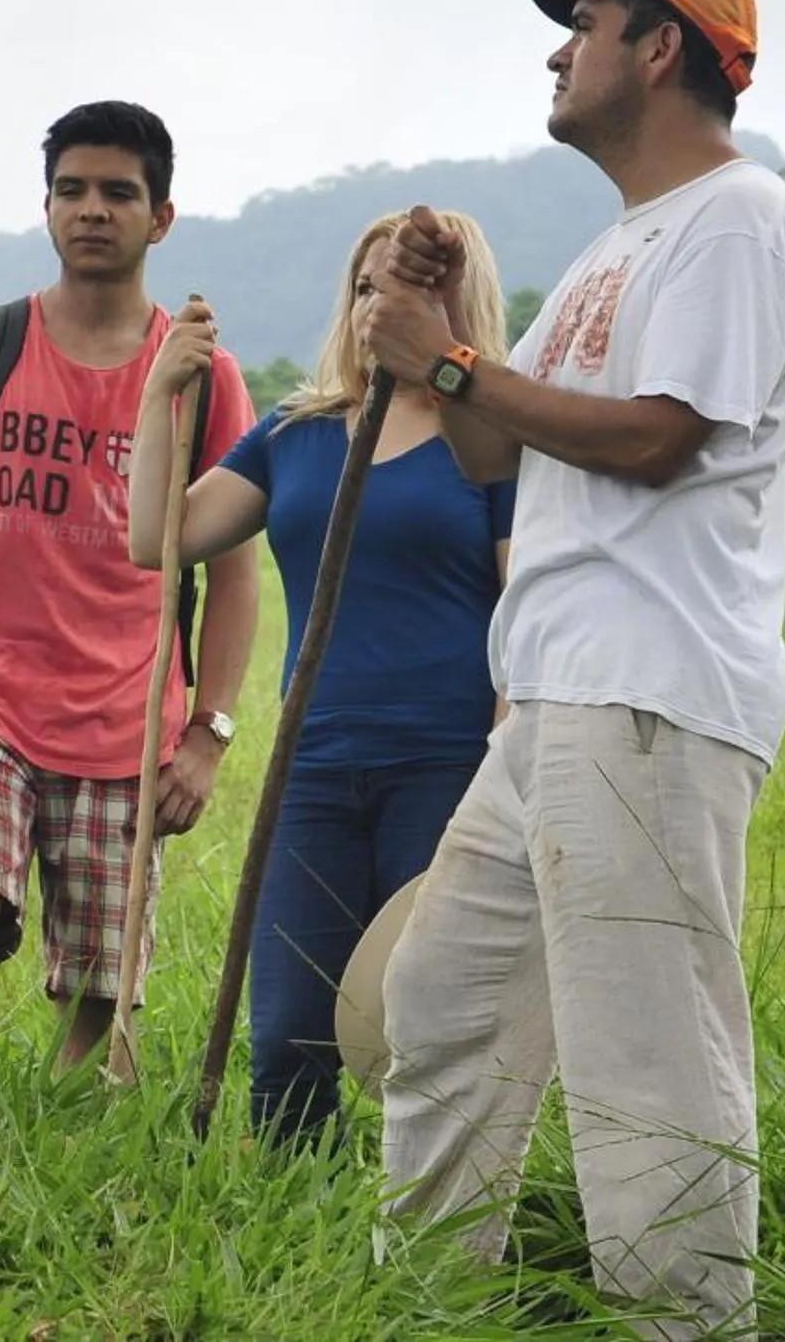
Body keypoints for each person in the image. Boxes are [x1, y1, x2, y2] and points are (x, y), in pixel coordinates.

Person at [356, 0, 785, 1337]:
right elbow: (494, 453)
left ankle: (685, 1324)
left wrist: (444, 361)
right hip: (553, 693)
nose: (558, 51)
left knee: (643, 1053)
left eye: (586, 23)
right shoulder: (614, 247)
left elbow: (658, 439)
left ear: (660, 49)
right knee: (443, 1004)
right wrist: (446, 338)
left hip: (646, 689)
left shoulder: (734, 219)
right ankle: (429, 1305)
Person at [0, 101, 260, 1076]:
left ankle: (76, 1148)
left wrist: (206, 735)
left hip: (128, 719)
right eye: (70, 190)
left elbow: (234, 573)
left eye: (117, 193)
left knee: (96, 1002)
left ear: (159, 218)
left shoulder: (201, 377)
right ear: (44, 208)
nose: (91, 210)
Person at [124, 210, 515, 1149]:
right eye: (366, 289)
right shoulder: (295, 432)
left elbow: (523, 604)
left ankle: (427, 1202)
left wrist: (508, 757)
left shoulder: (491, 438)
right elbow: (158, 539)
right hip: (313, 769)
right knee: (286, 1030)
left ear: (455, 301)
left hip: (446, 761)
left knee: (422, 1015)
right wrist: (158, 394)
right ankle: (292, 1199)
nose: (380, 309)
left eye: (408, 290)